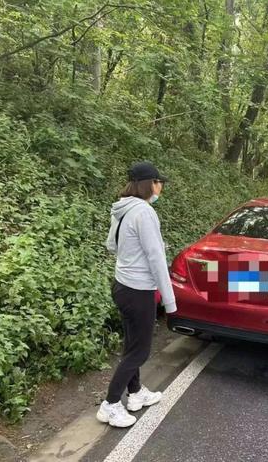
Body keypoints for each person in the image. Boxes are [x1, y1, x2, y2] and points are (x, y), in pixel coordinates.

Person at [97, 161, 177, 428]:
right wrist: (170, 300)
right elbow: (156, 258)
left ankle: (135, 393)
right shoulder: (144, 213)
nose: (160, 187)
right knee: (139, 352)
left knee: (132, 346)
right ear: (148, 184)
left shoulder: (122, 208)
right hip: (139, 291)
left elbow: (112, 245)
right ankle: (109, 404)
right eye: (158, 182)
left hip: (122, 286)